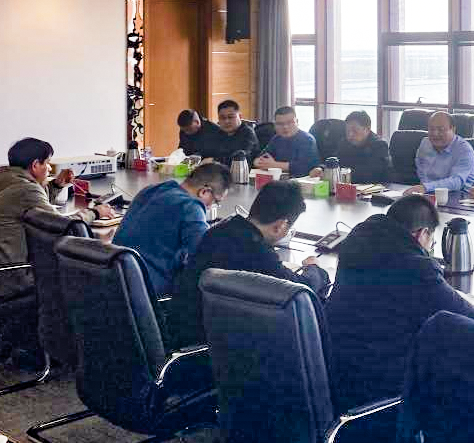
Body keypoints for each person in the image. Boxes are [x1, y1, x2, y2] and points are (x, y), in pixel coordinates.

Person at [325, 194, 474, 411]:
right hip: (382, 392)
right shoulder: (415, 267)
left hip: (336, 377)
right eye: (432, 243)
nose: (429, 250)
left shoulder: (355, 244)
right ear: (422, 234)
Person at [168, 180, 329, 348]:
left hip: (183, 327)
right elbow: (302, 290)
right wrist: (314, 267)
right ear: (281, 225)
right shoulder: (258, 252)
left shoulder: (218, 230)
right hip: (210, 345)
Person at [0, 138, 112, 298]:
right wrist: (95, 212)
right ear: (35, 165)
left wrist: (56, 185)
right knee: (84, 273)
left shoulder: (4, 182)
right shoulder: (24, 189)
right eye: (47, 163)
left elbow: (34, 205)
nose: (50, 168)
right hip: (8, 281)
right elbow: (65, 226)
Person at [112, 162, 229, 296]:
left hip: (114, 280)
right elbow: (204, 257)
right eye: (216, 202)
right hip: (147, 290)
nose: (211, 207)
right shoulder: (191, 207)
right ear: (204, 191)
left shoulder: (150, 190)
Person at [305, 110, 391, 184]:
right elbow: (336, 160)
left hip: (374, 190)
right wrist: (322, 168)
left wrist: (339, 173)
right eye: (348, 131)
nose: (350, 135)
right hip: (348, 186)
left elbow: (371, 174)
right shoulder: (345, 142)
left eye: (355, 131)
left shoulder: (379, 145)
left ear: (367, 129)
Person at [404, 111, 474, 196]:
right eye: (431, 129)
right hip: (430, 194)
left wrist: (426, 187)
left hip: (461, 197)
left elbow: (457, 182)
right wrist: (424, 190)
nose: (435, 134)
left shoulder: (464, 149)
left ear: (453, 130)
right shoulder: (425, 143)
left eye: (440, 129)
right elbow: (421, 171)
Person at [254, 106, 320, 175]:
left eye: (290, 122)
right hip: (279, 178)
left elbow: (305, 167)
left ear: (297, 122)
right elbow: (258, 159)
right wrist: (259, 162)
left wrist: (274, 165)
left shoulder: (307, 139)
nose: (285, 127)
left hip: (300, 179)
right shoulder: (276, 139)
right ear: (275, 125)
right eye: (280, 124)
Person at [201, 99, 259, 166]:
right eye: (222, 118)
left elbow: (240, 157)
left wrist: (215, 160)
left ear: (240, 117)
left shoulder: (248, 134)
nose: (226, 121)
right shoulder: (218, 133)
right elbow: (207, 151)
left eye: (230, 117)